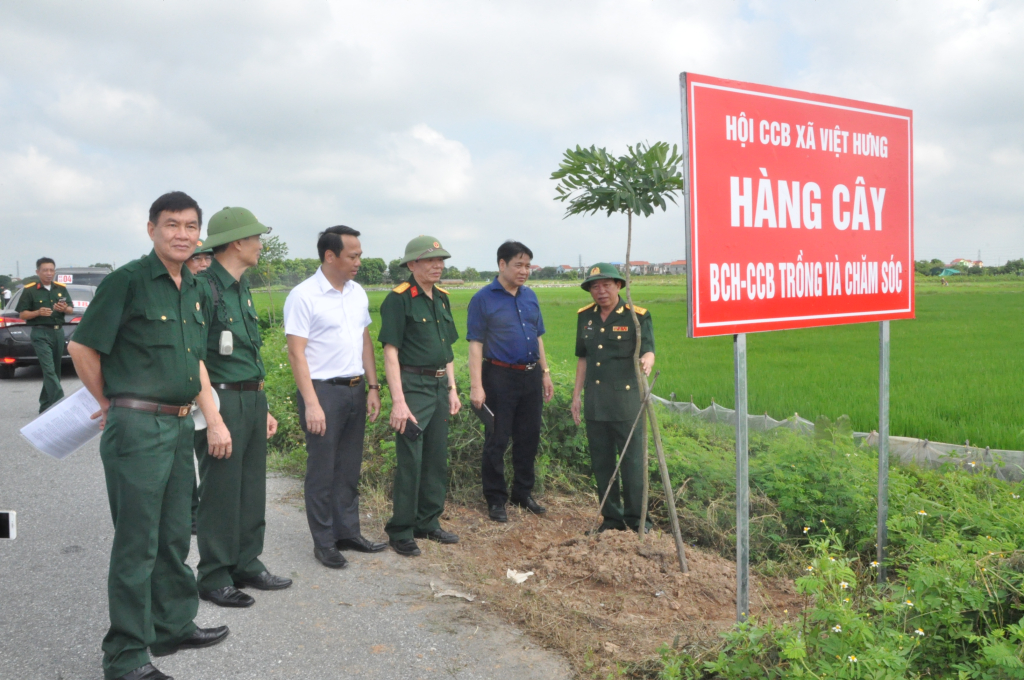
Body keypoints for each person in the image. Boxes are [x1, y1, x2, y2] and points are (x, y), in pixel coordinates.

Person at [68, 191, 231, 680]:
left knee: (176, 533)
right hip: (137, 426)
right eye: (171, 225)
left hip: (181, 422)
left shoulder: (196, 288)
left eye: (190, 226)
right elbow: (82, 348)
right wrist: (108, 402)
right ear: (151, 229)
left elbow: (195, 361)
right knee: (138, 542)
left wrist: (211, 416)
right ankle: (125, 656)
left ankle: (172, 624)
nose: (182, 234)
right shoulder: (128, 282)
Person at [192, 207, 291, 606]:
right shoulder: (203, 288)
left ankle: (246, 562)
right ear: (236, 242)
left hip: (251, 395)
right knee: (219, 490)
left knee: (251, 486)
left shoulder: (241, 287)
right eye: (255, 237)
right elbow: (194, 357)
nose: (260, 244)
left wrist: (262, 403)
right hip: (220, 398)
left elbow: (246, 351)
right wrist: (213, 419)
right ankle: (214, 574)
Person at [284, 225, 385, 569]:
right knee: (322, 470)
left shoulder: (357, 292)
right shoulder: (303, 295)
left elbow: (364, 341)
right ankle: (324, 541)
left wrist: (373, 387)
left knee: (348, 467)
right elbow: (296, 354)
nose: (359, 261)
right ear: (330, 256)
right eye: (352, 255)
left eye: (359, 255)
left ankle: (348, 532)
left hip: (356, 389)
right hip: (323, 391)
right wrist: (311, 403)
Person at [378, 235, 461, 557]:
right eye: (430, 261)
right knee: (411, 460)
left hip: (440, 387)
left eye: (440, 261)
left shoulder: (441, 297)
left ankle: (428, 522)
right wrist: (398, 401)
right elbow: (391, 352)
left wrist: (453, 389)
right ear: (412, 265)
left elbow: (448, 350)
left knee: (436, 458)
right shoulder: (398, 300)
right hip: (413, 387)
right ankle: (401, 529)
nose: (437, 266)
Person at [467, 241, 554, 523]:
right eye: (518, 264)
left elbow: (538, 336)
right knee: (497, 438)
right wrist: (476, 385)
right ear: (501, 265)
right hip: (499, 377)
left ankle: (523, 492)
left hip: (530, 377)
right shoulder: (483, 298)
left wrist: (545, 372)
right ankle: (495, 498)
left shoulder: (530, 297)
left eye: (528, 265)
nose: (524, 271)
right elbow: (476, 344)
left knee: (528, 437)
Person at [570, 263, 655, 533]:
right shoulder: (585, 317)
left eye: (606, 284)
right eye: (595, 286)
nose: (601, 291)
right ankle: (612, 519)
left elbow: (650, 349)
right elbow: (583, 358)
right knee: (602, 463)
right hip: (595, 401)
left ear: (619, 285)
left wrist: (647, 359)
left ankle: (638, 521)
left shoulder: (636, 316)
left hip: (627, 403)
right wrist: (576, 396)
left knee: (632, 464)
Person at [17, 258, 73, 412]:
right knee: (48, 369)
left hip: (58, 332)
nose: (49, 273)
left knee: (55, 371)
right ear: (38, 272)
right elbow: (22, 314)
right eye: (45, 270)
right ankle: (60, 405)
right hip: (40, 332)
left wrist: (63, 308)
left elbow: (70, 309)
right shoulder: (30, 290)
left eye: (51, 270)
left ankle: (46, 405)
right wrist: (38, 312)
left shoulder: (60, 288)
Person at [185, 240, 213, 535]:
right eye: (197, 259)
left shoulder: (208, 293)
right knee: (185, 454)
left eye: (207, 258)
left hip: (209, 384)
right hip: (184, 386)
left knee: (206, 452)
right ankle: (191, 513)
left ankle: (200, 511)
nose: (203, 264)